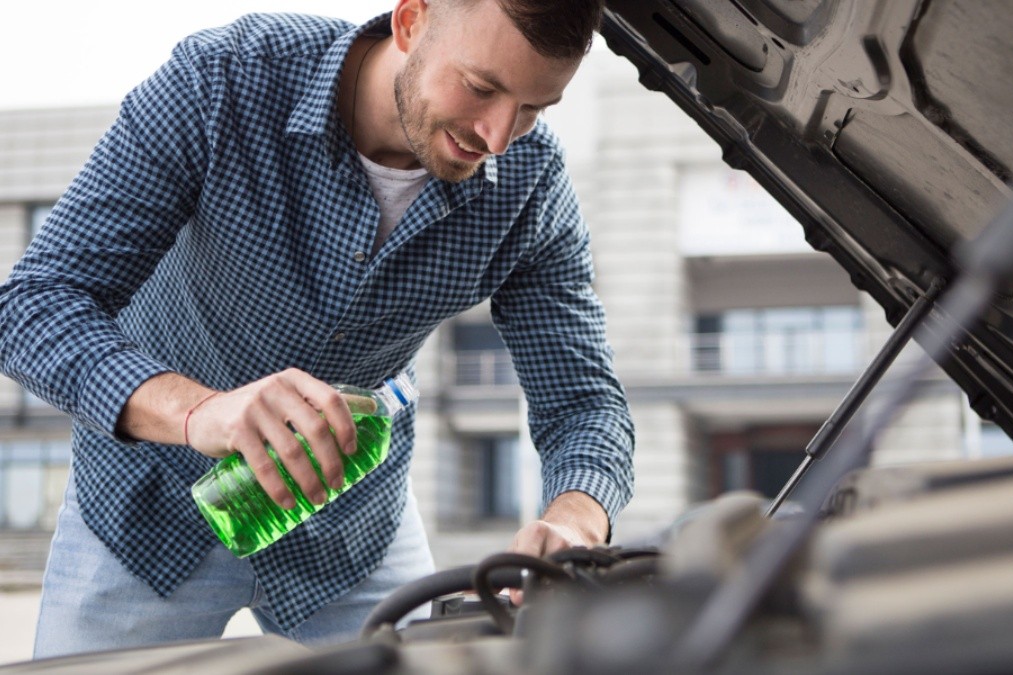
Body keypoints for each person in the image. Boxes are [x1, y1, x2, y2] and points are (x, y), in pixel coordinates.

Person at [0, 0, 634, 658]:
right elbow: (33, 304)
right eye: (481, 88)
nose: (498, 136)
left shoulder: (530, 186)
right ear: (412, 20)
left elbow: (584, 402)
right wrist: (202, 412)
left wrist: (575, 517)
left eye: (534, 108)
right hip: (146, 513)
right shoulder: (224, 80)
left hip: (352, 533)